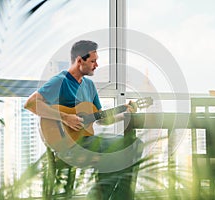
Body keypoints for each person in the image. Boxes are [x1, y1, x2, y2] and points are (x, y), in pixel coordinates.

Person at [24, 40, 143, 200]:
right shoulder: (60, 81)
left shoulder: (89, 85)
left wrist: (124, 112)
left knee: (133, 144)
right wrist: (65, 117)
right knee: (121, 150)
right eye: (93, 61)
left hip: (88, 140)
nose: (96, 65)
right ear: (80, 61)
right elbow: (31, 104)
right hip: (68, 145)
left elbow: (102, 119)